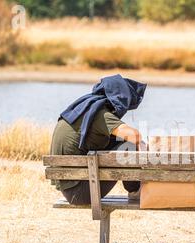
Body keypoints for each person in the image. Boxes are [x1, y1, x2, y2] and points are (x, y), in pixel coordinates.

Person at [50, 74, 147, 205]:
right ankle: (135, 192)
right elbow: (134, 136)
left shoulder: (84, 109)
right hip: (83, 193)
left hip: (70, 188)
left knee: (119, 142)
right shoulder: (100, 114)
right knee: (129, 145)